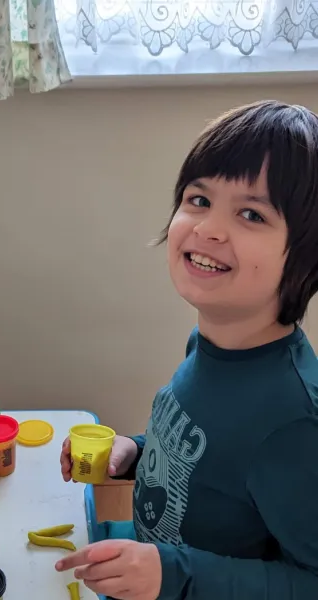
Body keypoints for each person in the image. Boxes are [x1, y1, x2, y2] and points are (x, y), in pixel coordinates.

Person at [56, 100, 318, 600]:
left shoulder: (295, 421)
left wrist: (173, 574)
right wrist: (133, 452)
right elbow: (211, 460)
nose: (208, 228)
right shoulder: (210, 343)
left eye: (250, 213)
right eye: (199, 200)